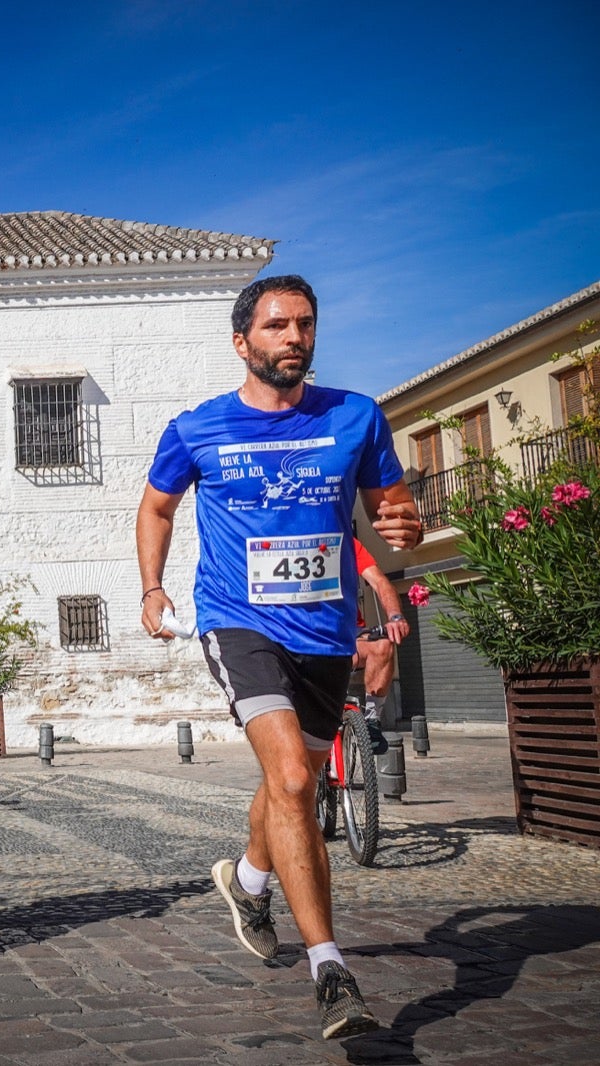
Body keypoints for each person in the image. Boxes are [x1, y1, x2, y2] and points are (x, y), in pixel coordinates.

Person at [135, 275, 421, 1040]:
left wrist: (406, 531)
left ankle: (250, 879)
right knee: (295, 776)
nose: (293, 337)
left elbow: (392, 510)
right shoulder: (198, 429)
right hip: (240, 624)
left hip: (325, 632)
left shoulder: (356, 417)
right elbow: (157, 505)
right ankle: (330, 969)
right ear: (243, 341)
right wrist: (152, 587)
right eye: (275, 326)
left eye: (304, 324)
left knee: (287, 779)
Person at [351, 536, 410, 744]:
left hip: (350, 634)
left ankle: (372, 720)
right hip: (302, 633)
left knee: (383, 644)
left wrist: (395, 616)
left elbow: (380, 582)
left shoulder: (348, 543)